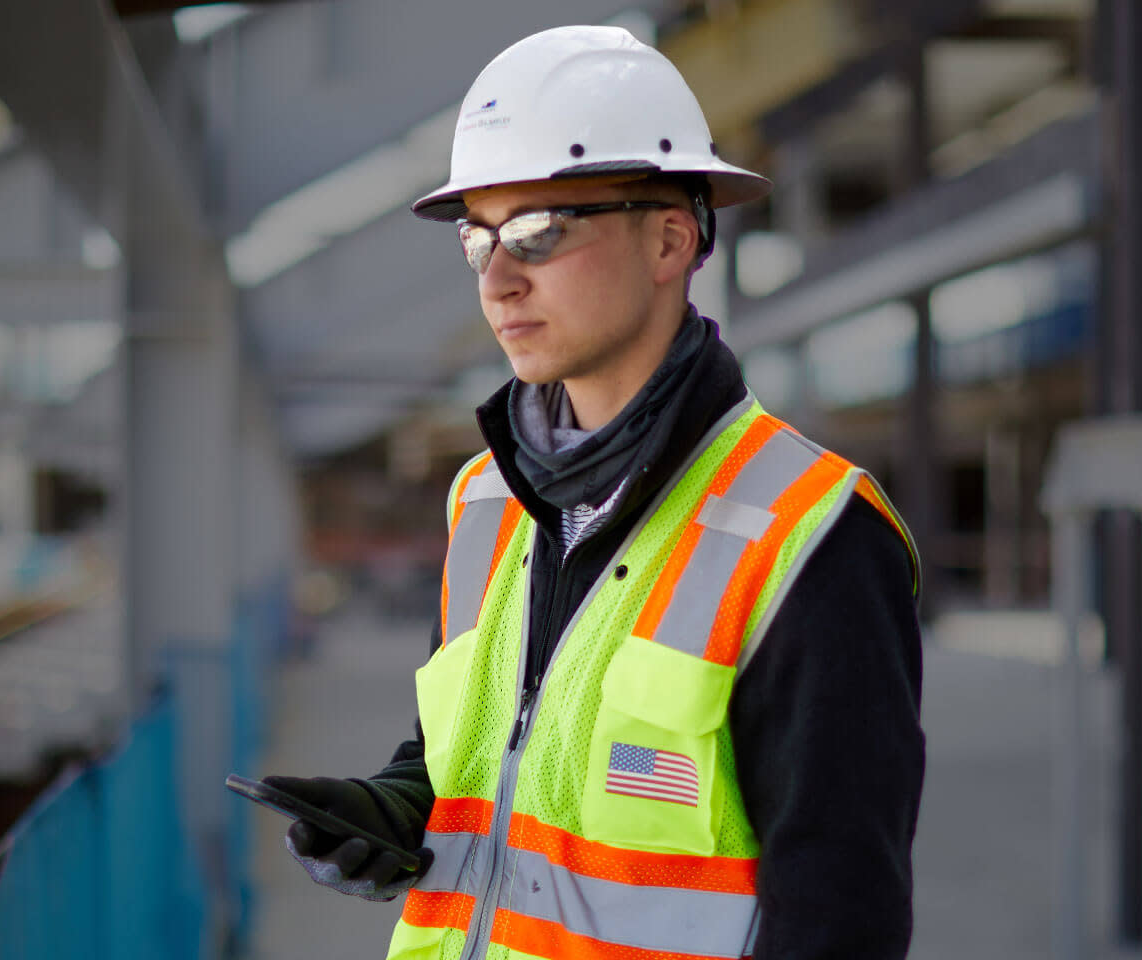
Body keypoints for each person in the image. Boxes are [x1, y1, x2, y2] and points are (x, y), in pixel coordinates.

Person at [262, 24, 924, 960]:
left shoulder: (813, 535)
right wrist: (396, 810)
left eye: (538, 231)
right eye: (477, 237)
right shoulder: (483, 501)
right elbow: (481, 755)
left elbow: (840, 919)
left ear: (668, 240)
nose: (497, 278)